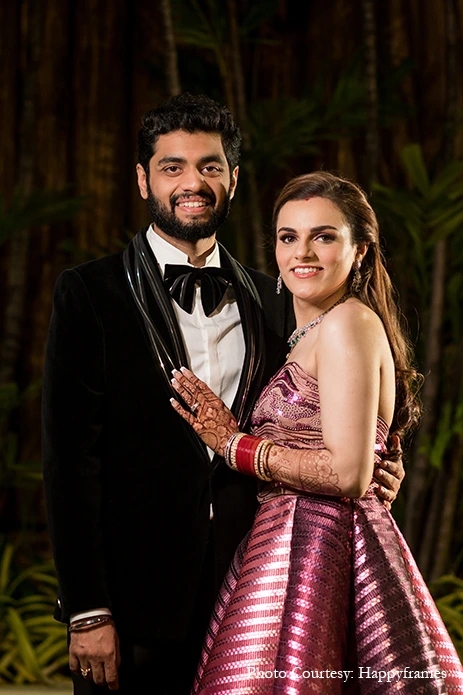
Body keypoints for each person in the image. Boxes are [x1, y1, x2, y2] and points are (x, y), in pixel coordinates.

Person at [42, 95, 403, 695]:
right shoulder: (89, 293)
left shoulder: (279, 297)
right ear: (143, 180)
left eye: (209, 166)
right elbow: (68, 463)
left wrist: (382, 459)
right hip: (133, 603)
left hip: (257, 591)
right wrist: (87, 609)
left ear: (232, 179)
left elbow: (339, 403)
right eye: (173, 167)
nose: (193, 183)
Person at [170, 171, 463, 694]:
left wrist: (234, 445)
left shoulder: (348, 323)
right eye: (289, 237)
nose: (302, 252)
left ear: (360, 251)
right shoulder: (303, 330)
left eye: (324, 236)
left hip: (318, 550)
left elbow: (348, 473)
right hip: (287, 541)